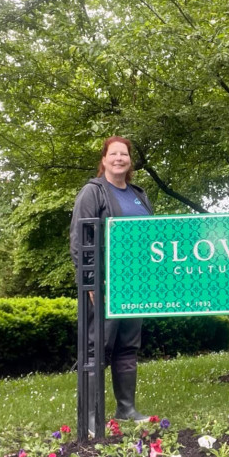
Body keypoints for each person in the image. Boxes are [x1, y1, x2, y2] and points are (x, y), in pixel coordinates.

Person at [70, 136, 153, 423]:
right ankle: (91, 416)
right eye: (113, 154)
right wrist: (91, 281)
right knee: (98, 346)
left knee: (128, 346)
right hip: (104, 285)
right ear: (104, 160)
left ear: (130, 161)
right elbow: (80, 239)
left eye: (124, 154)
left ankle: (125, 409)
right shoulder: (93, 192)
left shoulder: (138, 194)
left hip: (135, 284)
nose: (119, 158)